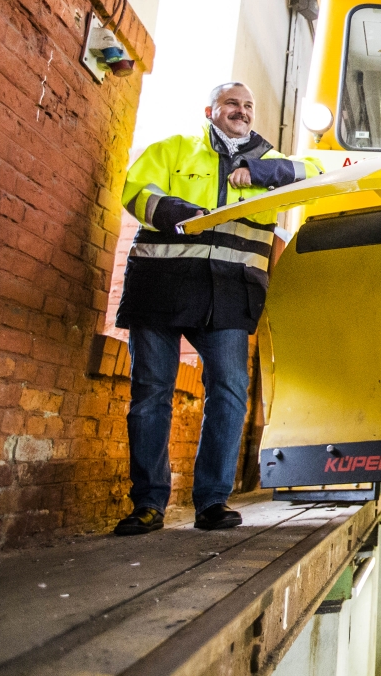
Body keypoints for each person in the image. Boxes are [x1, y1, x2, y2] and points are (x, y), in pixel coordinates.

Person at [113, 82, 322, 535]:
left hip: (228, 293)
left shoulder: (270, 162)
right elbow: (135, 191)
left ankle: (211, 501)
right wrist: (180, 212)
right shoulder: (174, 149)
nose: (242, 111)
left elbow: (317, 173)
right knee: (151, 393)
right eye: (232, 103)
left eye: (248, 105)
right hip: (161, 287)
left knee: (228, 394)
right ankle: (147, 504)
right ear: (211, 110)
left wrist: (262, 173)